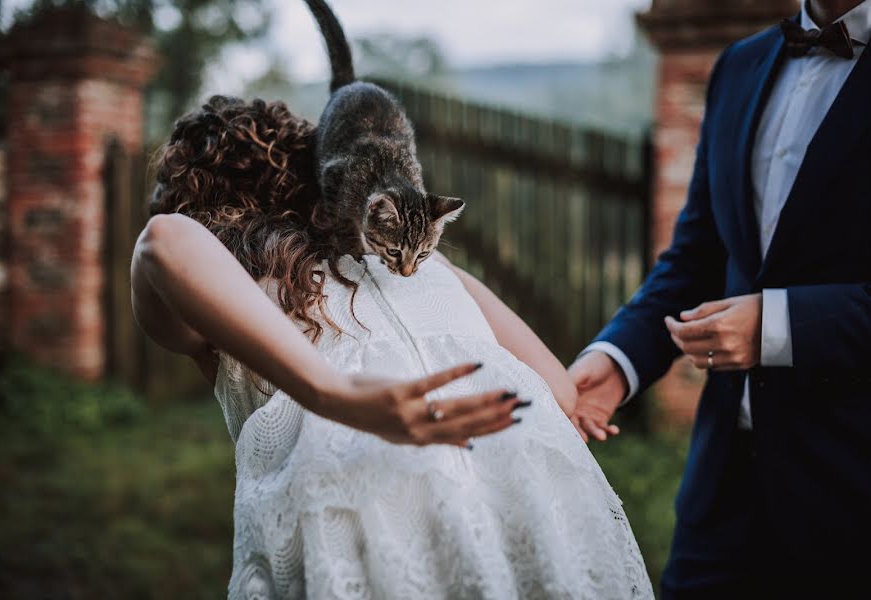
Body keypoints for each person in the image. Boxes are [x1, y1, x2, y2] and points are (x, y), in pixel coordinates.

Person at [132, 96, 652, 598]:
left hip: (402, 545)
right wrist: (333, 394)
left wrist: (330, 390)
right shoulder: (236, 296)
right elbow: (166, 242)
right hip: (532, 531)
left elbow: (166, 238)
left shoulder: (267, 291)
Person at [567, 0, 871, 596]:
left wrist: (778, 326)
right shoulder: (740, 64)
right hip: (724, 495)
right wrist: (616, 362)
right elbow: (699, 255)